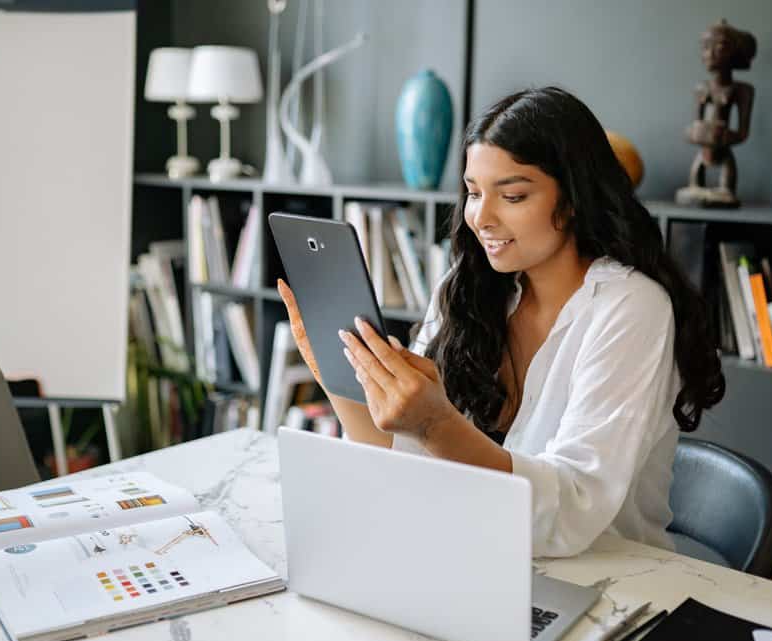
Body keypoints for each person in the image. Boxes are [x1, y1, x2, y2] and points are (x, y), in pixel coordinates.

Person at [277, 86, 724, 557]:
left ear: (572, 198)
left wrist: (435, 424)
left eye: (511, 195)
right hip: (476, 552)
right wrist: (335, 369)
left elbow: (571, 512)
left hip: (603, 579)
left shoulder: (631, 307)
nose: (481, 217)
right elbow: (399, 460)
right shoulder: (467, 289)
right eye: (473, 193)